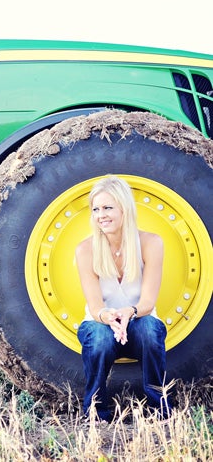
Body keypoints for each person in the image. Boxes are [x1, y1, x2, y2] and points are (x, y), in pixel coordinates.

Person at [75, 175, 171, 422]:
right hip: (101, 323)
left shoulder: (151, 243)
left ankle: (159, 409)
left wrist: (129, 312)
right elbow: (95, 307)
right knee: (98, 338)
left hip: (140, 319)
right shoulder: (85, 249)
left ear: (124, 209)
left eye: (108, 207)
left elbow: (148, 302)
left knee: (150, 330)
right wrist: (108, 316)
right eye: (96, 209)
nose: (101, 215)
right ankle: (96, 411)